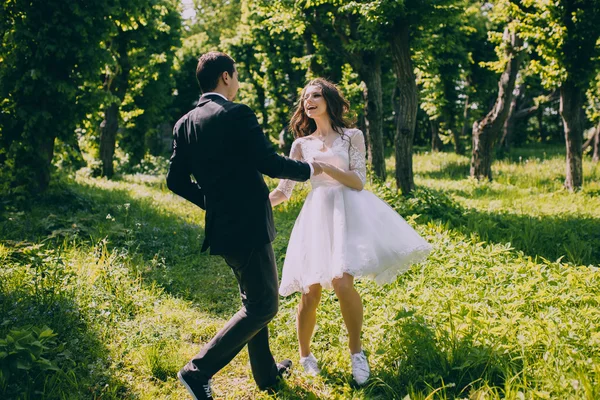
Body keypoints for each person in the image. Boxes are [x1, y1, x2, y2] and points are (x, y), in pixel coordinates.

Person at [166, 52, 323, 400]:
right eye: (235, 76)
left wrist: (211, 202)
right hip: (249, 223)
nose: (237, 83)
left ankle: (266, 375)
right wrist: (309, 170)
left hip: (222, 225)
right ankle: (198, 370)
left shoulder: (185, 123)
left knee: (253, 298)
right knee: (263, 306)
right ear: (225, 76)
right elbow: (266, 161)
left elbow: (175, 180)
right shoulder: (236, 114)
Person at [269, 78, 432, 386]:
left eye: (316, 95)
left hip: (347, 213)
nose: (309, 101)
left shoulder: (352, 136)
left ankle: (357, 353)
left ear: (329, 100)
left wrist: (326, 168)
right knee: (310, 290)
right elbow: (284, 191)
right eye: (305, 97)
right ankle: (305, 356)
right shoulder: (300, 145)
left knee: (343, 283)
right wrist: (255, 204)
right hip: (316, 217)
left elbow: (359, 181)